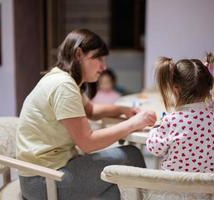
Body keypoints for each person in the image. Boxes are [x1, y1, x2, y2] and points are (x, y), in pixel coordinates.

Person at [16, 29, 157, 200]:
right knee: (131, 155)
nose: (104, 66)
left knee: (114, 185)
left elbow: (90, 110)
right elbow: (87, 143)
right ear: (79, 54)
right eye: (98, 58)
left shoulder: (62, 78)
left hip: (42, 175)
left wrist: (122, 110)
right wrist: (134, 123)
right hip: (43, 181)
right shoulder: (64, 86)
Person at [146, 52, 214, 173]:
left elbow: (154, 149)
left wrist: (156, 129)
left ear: (175, 88)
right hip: (206, 189)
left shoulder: (171, 120)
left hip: (172, 189)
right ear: (208, 86)